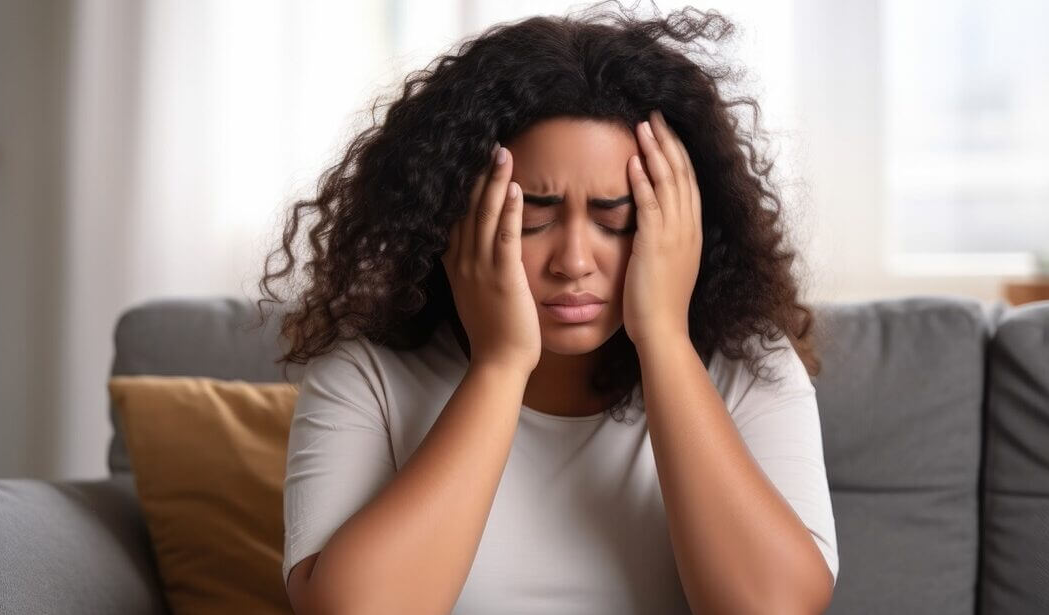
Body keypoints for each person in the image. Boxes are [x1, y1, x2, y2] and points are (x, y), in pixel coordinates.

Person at [256, 2, 838, 613]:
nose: (574, 261)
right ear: (451, 214)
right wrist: (500, 364)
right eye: (533, 217)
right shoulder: (365, 376)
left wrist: (664, 338)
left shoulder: (750, 365)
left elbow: (773, 606)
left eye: (617, 219)